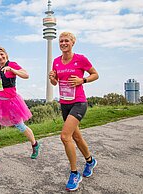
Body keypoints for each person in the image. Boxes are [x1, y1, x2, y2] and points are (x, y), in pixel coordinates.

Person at [49, 32, 99, 191]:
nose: (63, 43)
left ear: (73, 43)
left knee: (65, 136)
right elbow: (56, 82)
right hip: (65, 103)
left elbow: (95, 74)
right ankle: (90, 161)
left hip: (79, 102)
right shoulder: (56, 61)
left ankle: (74, 173)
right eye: (61, 41)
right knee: (76, 136)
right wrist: (52, 78)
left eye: (66, 41)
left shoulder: (80, 59)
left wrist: (82, 80)